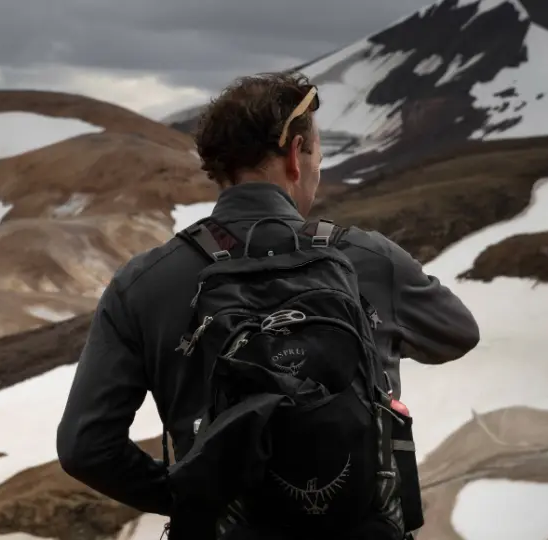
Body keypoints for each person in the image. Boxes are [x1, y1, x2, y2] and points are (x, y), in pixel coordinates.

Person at [54, 71, 481, 537]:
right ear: (296, 157)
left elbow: (86, 447)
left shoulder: (143, 282)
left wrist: (191, 495)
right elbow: (457, 332)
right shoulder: (367, 258)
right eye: (317, 152)